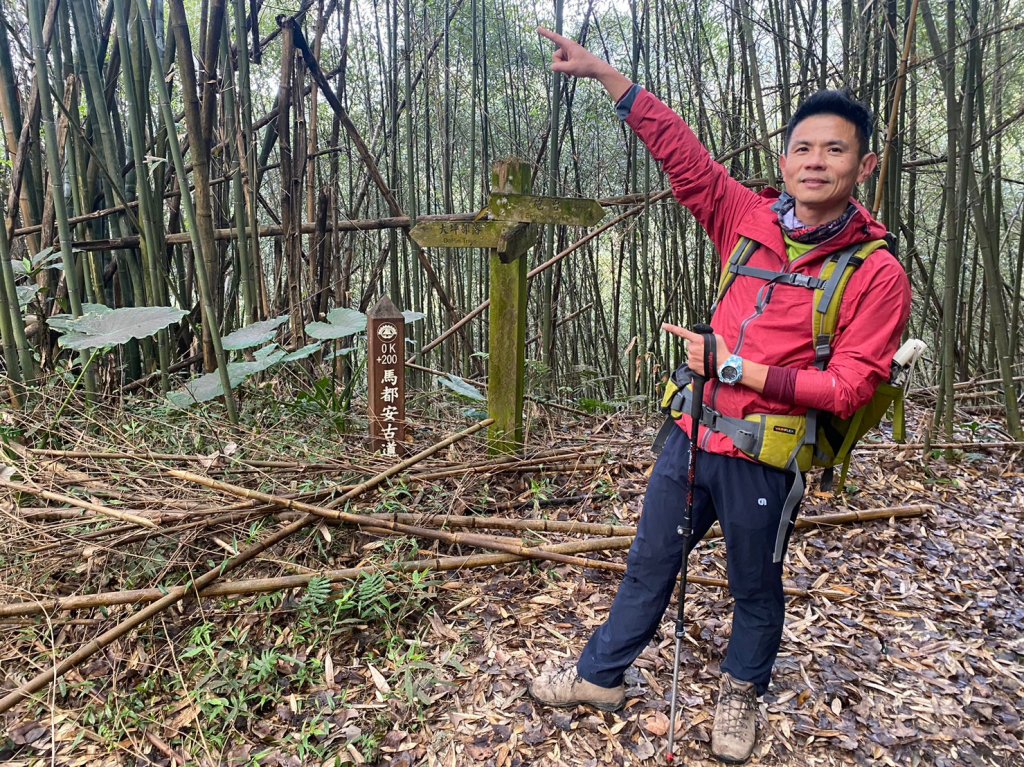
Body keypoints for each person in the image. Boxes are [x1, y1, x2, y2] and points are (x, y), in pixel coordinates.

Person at [529, 26, 912, 764]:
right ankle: (600, 676)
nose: (816, 161)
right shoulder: (745, 216)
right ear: (783, 159)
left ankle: (742, 690)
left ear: (866, 165)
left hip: (767, 455)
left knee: (754, 584)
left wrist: (736, 369)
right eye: (804, 148)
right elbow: (683, 154)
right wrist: (606, 74)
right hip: (692, 437)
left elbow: (852, 385)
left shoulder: (875, 272)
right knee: (649, 563)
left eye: (835, 150)